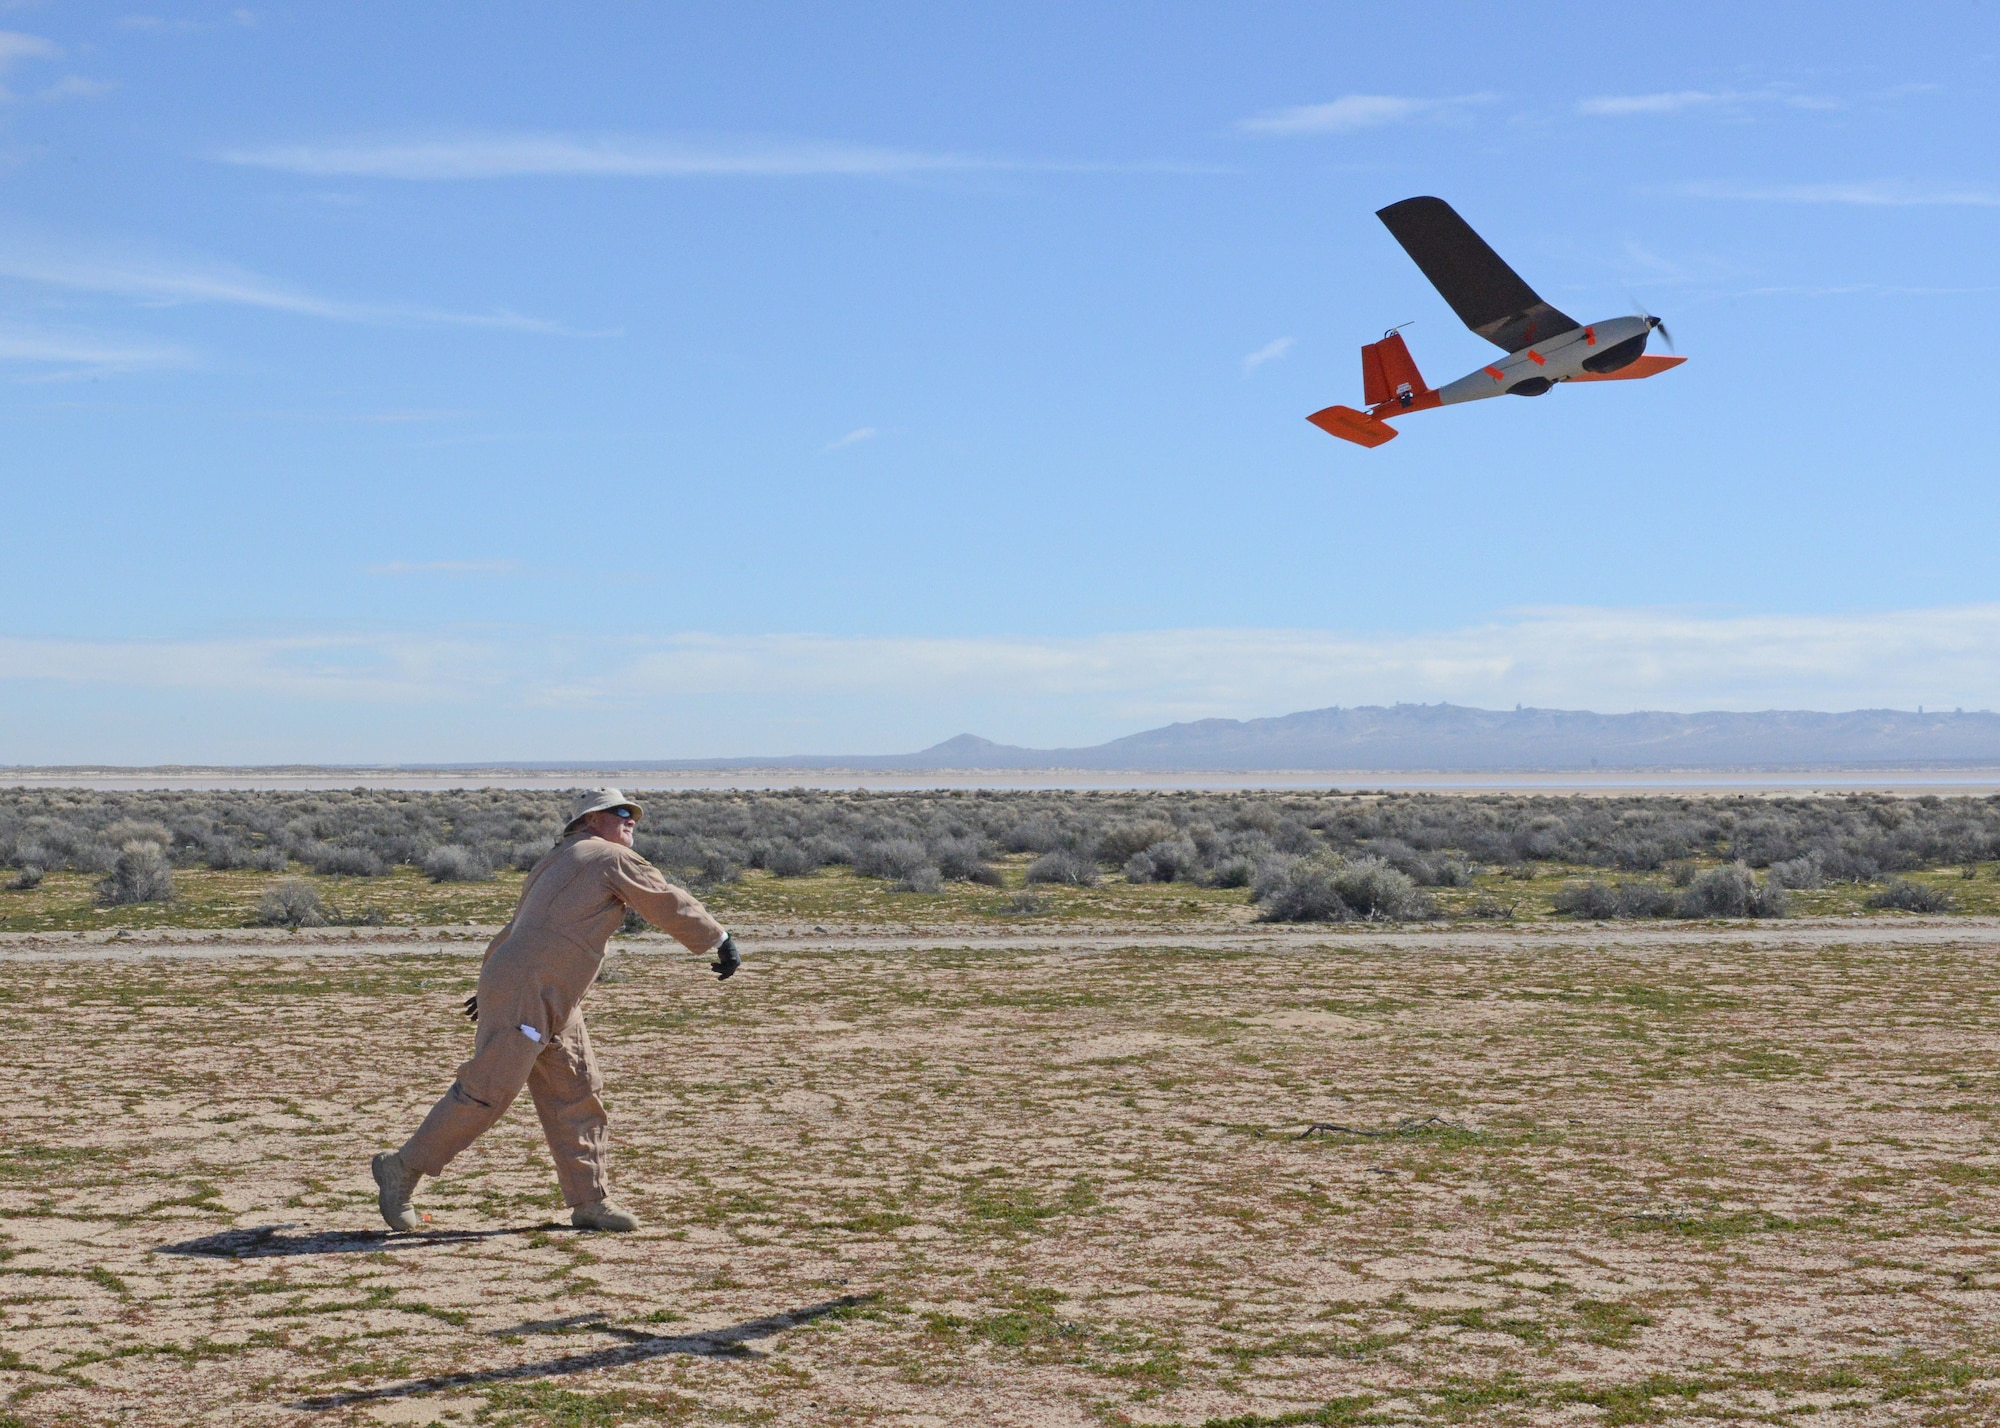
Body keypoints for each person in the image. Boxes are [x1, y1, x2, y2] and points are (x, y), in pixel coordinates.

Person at [371, 788, 740, 1233]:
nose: (631, 819)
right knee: (487, 1091)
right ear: (591, 821)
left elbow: (519, 926)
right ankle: (403, 1169)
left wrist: (494, 985)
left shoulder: (559, 858)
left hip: (546, 993)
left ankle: (590, 1201)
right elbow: (664, 899)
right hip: (533, 991)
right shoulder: (606, 856)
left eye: (632, 813)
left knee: (576, 1089)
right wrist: (718, 941)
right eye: (620, 812)